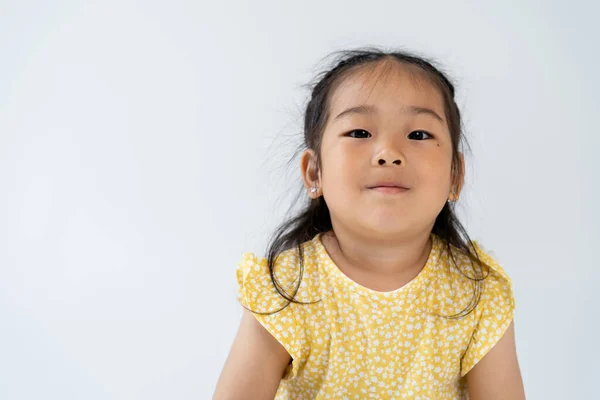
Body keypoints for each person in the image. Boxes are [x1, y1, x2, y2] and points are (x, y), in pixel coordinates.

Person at [213, 48, 525, 400]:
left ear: (455, 175)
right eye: (360, 132)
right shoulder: (287, 288)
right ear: (315, 172)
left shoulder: (477, 292)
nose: (388, 152)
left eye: (419, 135)